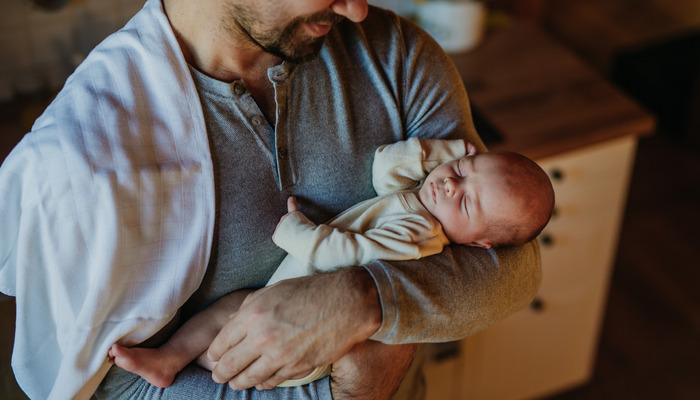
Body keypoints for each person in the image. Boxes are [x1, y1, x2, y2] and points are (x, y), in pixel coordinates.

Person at [0, 0, 542, 399]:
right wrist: (348, 387)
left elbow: (513, 266)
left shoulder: (394, 52)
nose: (356, 10)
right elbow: (118, 390)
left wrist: (364, 300)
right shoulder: (87, 158)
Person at [107, 137, 554, 390]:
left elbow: (349, 254)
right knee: (233, 311)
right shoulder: (420, 200)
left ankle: (183, 364)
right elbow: (385, 169)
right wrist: (441, 155)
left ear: (479, 243)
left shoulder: (420, 235)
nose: (451, 187)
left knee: (233, 333)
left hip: (306, 333)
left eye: (468, 203)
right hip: (282, 295)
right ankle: (169, 359)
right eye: (461, 172)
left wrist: (294, 230)